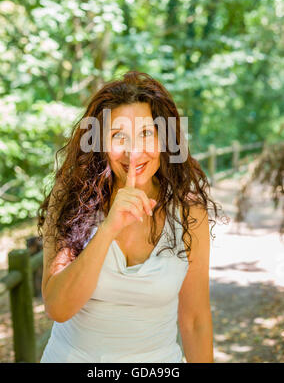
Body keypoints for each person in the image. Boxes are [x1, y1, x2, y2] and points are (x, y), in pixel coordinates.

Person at [37, 71, 224, 363]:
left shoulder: (189, 213)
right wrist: (109, 228)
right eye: (118, 136)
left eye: (146, 133)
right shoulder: (71, 200)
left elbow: (195, 321)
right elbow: (58, 308)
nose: (133, 151)